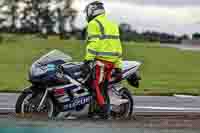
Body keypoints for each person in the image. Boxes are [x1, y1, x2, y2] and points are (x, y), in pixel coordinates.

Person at [83, 1, 123, 119]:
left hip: (101, 62)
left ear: (92, 10)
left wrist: (87, 60)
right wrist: (118, 66)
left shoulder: (94, 23)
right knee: (103, 87)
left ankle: (104, 112)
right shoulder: (112, 24)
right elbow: (118, 46)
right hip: (111, 62)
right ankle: (94, 110)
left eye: (88, 11)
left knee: (95, 86)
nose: (87, 14)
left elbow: (94, 43)